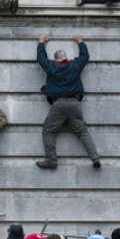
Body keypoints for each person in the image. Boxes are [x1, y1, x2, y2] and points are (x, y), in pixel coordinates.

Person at [35, 33, 100, 169]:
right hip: (75, 103)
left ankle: (51, 160)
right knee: (82, 132)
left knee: (48, 130)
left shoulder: (52, 67)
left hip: (59, 104)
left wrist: (41, 43)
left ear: (56, 60)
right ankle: (94, 157)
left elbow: (41, 59)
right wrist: (80, 42)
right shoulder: (74, 66)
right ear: (66, 58)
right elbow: (85, 57)